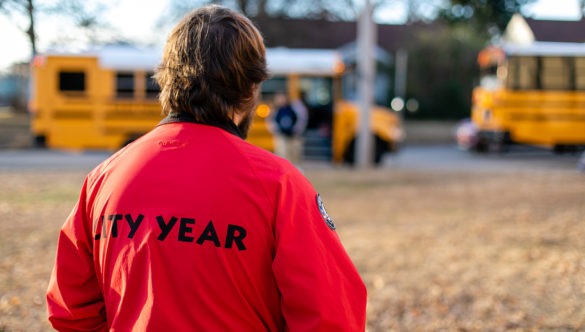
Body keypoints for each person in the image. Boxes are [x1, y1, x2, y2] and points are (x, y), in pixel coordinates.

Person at [46, 5, 367, 331]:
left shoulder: (104, 179)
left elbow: (71, 312)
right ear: (251, 88)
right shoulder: (279, 185)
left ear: (166, 78)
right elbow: (331, 318)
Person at [273, 91, 308, 164]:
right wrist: (277, 130)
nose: (281, 100)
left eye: (282, 98)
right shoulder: (277, 110)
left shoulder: (294, 107)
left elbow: (301, 120)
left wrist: (296, 130)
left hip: (293, 136)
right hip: (282, 135)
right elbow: (272, 122)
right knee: (282, 154)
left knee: (294, 154)